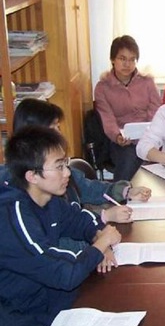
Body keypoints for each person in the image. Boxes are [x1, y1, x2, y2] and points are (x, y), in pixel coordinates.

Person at [0, 126, 122, 326]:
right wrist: (101, 244)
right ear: (32, 176)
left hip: (46, 302)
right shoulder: (13, 216)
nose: (67, 172)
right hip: (18, 321)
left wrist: (99, 236)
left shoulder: (48, 197)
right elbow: (65, 274)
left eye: (65, 163)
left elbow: (80, 220)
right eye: (59, 166)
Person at [1, 98, 152, 233]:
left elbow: (88, 187)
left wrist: (126, 192)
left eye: (58, 127)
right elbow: (58, 235)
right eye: (53, 128)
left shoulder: (57, 171)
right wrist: (104, 217)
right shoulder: (23, 189)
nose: (59, 134)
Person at [94, 35, 162, 181]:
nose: (127, 64)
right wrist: (117, 136)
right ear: (112, 59)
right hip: (121, 140)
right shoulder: (103, 87)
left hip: (150, 135)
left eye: (132, 59)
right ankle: (120, 193)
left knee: (161, 159)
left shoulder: (147, 81)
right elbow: (107, 118)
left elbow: (156, 110)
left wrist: (150, 133)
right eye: (122, 59)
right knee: (129, 160)